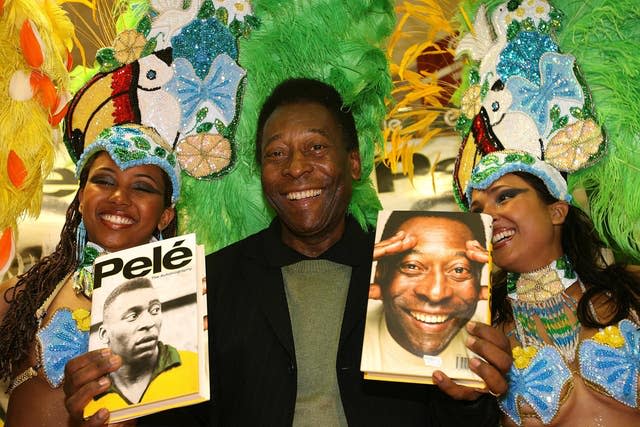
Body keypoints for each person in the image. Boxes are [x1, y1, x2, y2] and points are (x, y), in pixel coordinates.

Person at [63, 78, 511, 426]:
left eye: (316, 147)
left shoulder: (414, 267)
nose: (296, 168)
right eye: (276, 154)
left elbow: (451, 419)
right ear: (261, 172)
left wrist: (471, 397)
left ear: (353, 162)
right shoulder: (209, 284)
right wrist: (117, 414)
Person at [0, 124, 181, 427]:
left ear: (165, 215)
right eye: (104, 181)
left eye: (142, 187)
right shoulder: (39, 287)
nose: (119, 197)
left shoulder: (179, 306)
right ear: (82, 197)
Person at [464, 152, 640, 426]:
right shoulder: (482, 326)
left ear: (556, 211)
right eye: (477, 211)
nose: (487, 218)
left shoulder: (630, 290)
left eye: (504, 197)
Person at [362, 211, 489, 378]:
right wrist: (354, 274)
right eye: (412, 266)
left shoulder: (487, 343)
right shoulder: (350, 338)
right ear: (380, 273)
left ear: (480, 282)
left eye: (459, 270)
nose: (436, 294)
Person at [84, 277, 197, 414]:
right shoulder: (92, 390)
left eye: (154, 310)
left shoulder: (195, 365)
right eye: (132, 316)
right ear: (104, 334)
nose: (149, 323)